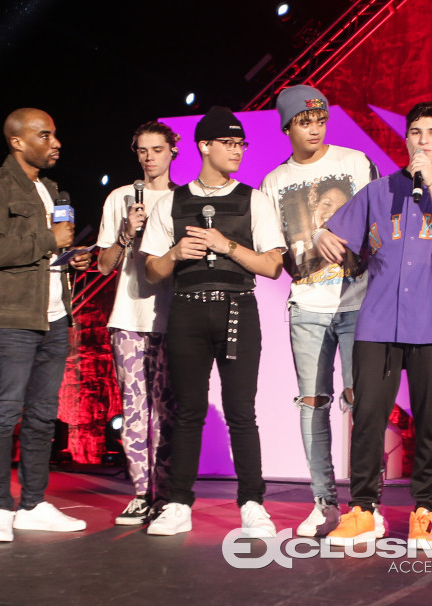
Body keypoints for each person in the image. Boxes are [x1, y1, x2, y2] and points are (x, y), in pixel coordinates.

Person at [316, 101, 432, 547]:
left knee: (431, 421)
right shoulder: (379, 191)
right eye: (416, 132)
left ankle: (424, 510)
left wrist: (430, 183)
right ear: (406, 138)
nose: (423, 141)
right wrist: (321, 234)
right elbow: (335, 233)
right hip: (378, 323)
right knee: (368, 417)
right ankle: (363, 510)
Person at [140, 106, 286, 537]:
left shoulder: (254, 200)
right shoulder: (172, 202)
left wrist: (227, 247)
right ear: (204, 146)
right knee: (188, 411)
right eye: (228, 143)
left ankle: (252, 503)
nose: (237, 151)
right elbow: (151, 272)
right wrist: (173, 255)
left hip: (238, 310)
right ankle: (177, 503)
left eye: (241, 143)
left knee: (241, 411)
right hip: (186, 311)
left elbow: (273, 266)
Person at [0, 108, 92, 542]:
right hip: (11, 319)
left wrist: (70, 258)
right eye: (44, 135)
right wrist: (48, 240)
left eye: (55, 135)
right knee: (4, 414)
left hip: (54, 316)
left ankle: (33, 504)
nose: (55, 143)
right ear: (17, 142)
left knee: (41, 416)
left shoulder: (51, 189)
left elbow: (49, 252)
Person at [260, 85, 378, 537]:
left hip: (358, 299)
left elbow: (381, 223)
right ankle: (324, 503)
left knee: (362, 401)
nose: (314, 129)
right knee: (312, 402)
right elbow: (273, 248)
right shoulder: (274, 182)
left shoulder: (355, 163)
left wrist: (352, 242)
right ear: (287, 127)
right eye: (304, 121)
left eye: (320, 120)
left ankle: (366, 505)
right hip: (307, 304)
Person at [96, 121, 180, 525]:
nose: (149, 158)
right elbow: (103, 265)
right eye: (142, 150)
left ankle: (166, 493)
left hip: (172, 316)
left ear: (173, 151)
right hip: (129, 315)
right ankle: (141, 493)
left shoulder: (184, 198)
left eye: (157, 149)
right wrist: (127, 233)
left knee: (167, 409)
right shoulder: (120, 198)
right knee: (134, 407)